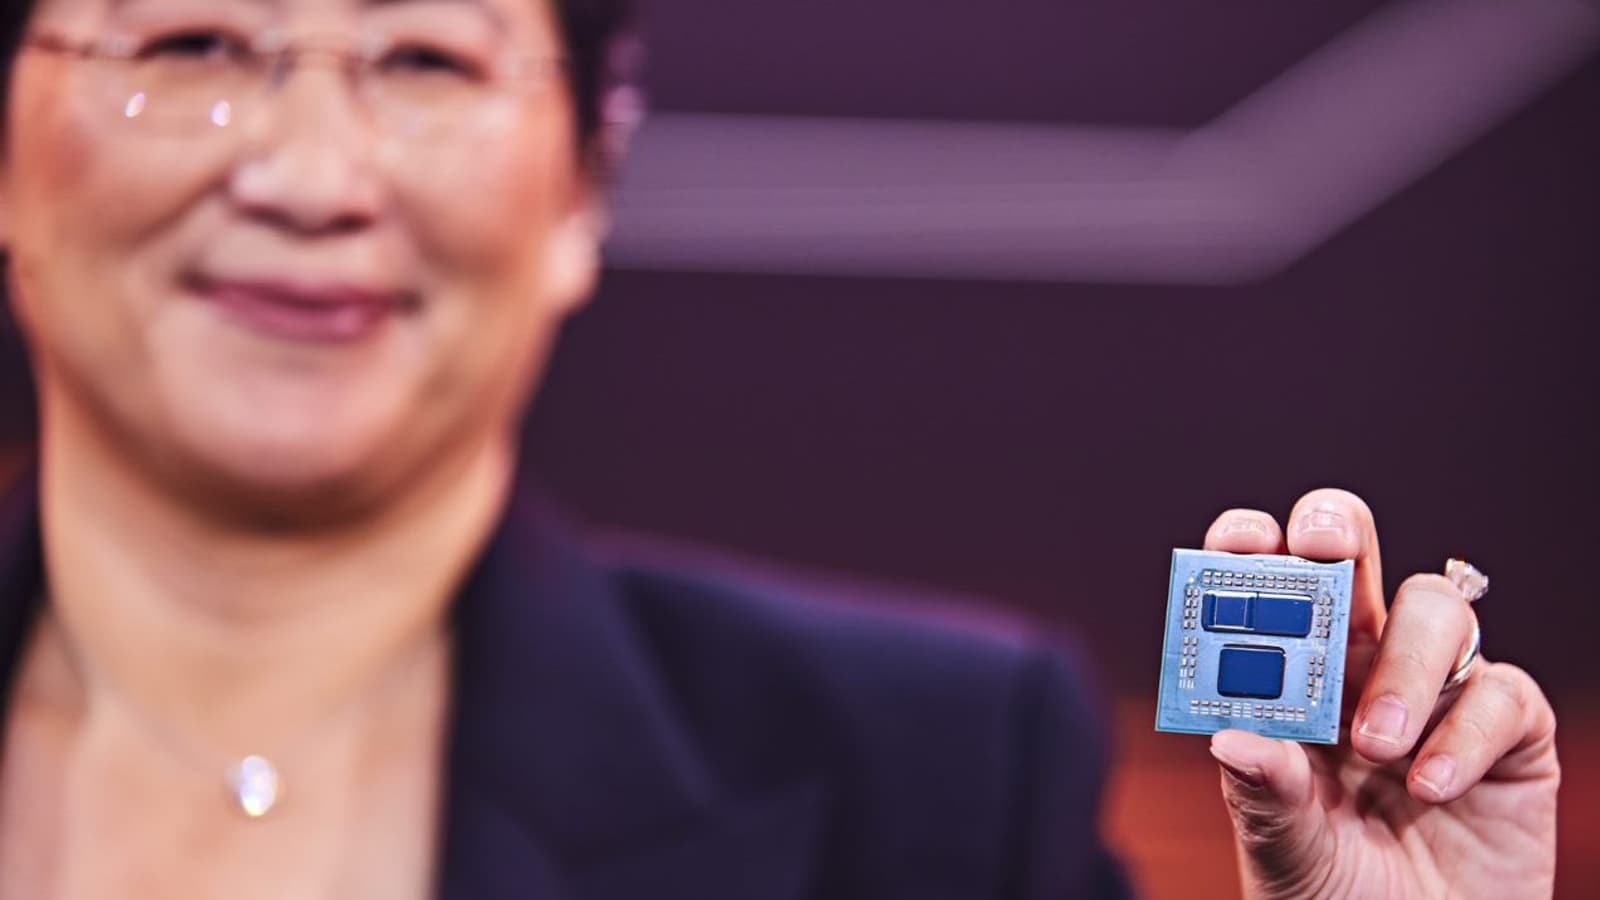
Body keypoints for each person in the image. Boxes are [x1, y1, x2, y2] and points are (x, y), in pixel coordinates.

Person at [0, 0, 1560, 897]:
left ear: (584, 185)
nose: (310, 176)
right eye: (191, 42)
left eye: (425, 60)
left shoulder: (937, 789)